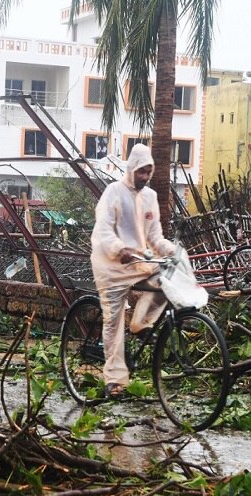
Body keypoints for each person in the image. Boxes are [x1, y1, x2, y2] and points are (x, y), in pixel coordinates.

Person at [90, 143, 175, 399]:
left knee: (167, 281)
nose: (145, 176)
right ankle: (114, 381)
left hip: (138, 261)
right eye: (141, 171)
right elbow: (103, 230)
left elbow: (155, 236)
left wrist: (170, 250)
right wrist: (119, 249)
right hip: (111, 265)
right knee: (113, 320)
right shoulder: (113, 192)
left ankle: (140, 324)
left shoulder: (150, 197)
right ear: (131, 169)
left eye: (148, 172)